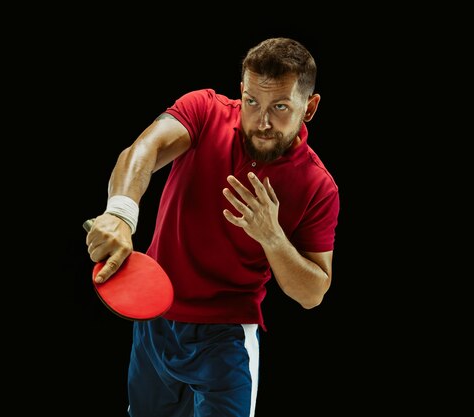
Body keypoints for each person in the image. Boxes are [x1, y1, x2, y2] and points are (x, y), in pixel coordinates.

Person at [85, 37, 340, 417]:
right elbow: (143, 150)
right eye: (252, 102)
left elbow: (313, 291)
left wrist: (273, 238)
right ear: (241, 91)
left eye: (280, 107)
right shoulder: (204, 110)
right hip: (155, 323)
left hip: (225, 340)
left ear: (310, 107)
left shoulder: (317, 186)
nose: (262, 121)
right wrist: (121, 213)